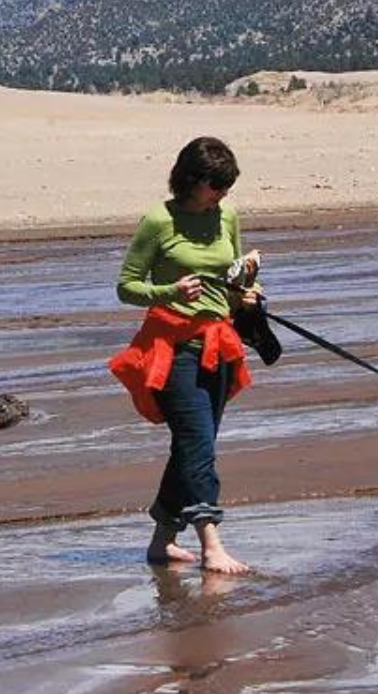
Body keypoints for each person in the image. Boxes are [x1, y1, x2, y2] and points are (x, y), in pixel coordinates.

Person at [108, 136, 263, 575]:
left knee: (194, 445)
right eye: (216, 187)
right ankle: (212, 543)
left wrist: (244, 296)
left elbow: (230, 282)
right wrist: (168, 291)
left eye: (227, 188)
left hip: (220, 344)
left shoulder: (227, 216)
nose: (223, 196)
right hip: (172, 350)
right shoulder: (158, 221)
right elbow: (126, 286)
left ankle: (162, 540)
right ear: (191, 181)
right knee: (198, 445)